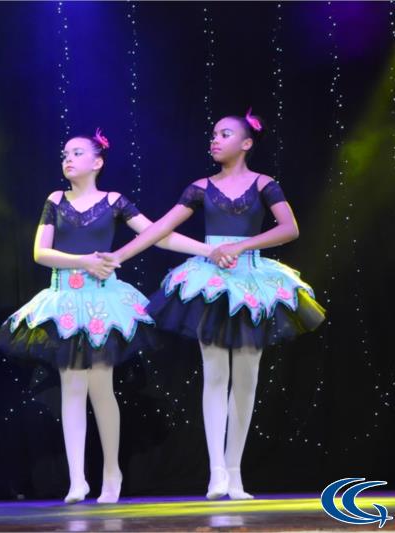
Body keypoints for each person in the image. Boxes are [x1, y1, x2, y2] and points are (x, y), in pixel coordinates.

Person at [100, 110, 327, 500]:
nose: (215, 140)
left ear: (246, 143)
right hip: (212, 282)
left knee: (247, 378)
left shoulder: (264, 184)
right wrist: (119, 254)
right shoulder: (200, 188)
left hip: (251, 280)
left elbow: (289, 228)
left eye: (224, 134)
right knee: (215, 375)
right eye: (213, 134)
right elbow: (159, 229)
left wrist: (243, 245)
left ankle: (235, 472)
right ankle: (216, 471)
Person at [0, 128, 212, 504]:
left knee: (101, 387)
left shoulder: (114, 202)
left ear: (97, 162)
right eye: (65, 153)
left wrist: (208, 251)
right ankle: (77, 479)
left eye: (77, 153)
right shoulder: (55, 200)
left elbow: (158, 234)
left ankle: (112, 471)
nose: (68, 158)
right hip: (65, 298)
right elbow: (40, 253)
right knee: (71, 388)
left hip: (102, 302)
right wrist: (84, 261)